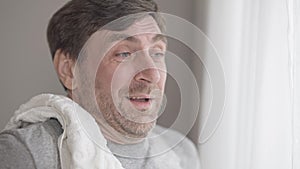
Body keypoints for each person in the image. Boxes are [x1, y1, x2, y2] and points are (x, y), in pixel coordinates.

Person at [0, 0, 200, 168]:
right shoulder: (25, 154)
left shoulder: (182, 153)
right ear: (69, 70)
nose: (153, 74)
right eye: (124, 54)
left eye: (157, 53)